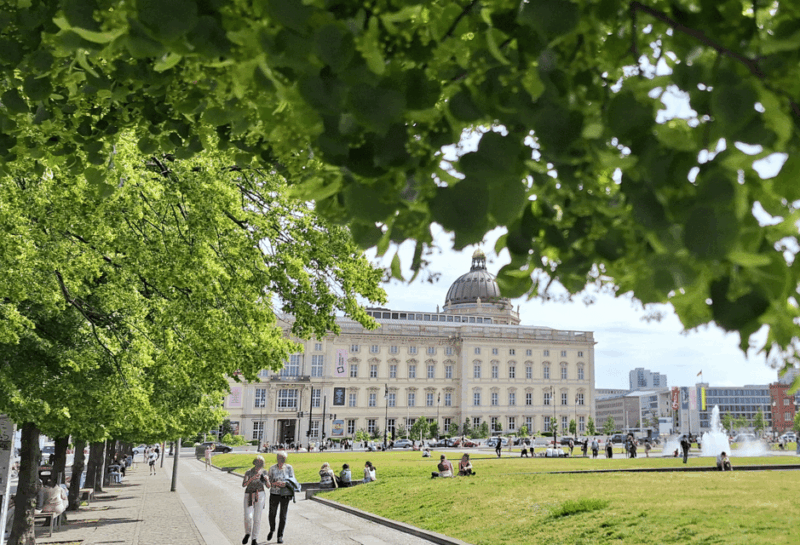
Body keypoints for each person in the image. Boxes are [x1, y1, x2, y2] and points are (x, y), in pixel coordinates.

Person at [267, 451, 295, 544]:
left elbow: (293, 480)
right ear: (277, 458)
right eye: (279, 458)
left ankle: (280, 535)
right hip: (274, 493)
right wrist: (274, 483)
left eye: (283, 458)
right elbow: (268, 482)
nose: (281, 460)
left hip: (285, 494)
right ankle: (272, 529)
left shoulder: (289, 468)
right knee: (272, 514)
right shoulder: (272, 468)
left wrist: (285, 483)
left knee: (283, 516)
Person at [242, 455, 269, 545]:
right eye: (258, 462)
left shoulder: (264, 472)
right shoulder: (249, 472)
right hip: (249, 494)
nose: (259, 465)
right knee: (248, 516)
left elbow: (268, 486)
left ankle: (254, 539)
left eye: (261, 463)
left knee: (257, 518)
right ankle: (248, 533)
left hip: (260, 494)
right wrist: (251, 479)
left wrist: (267, 480)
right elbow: (244, 484)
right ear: (254, 463)